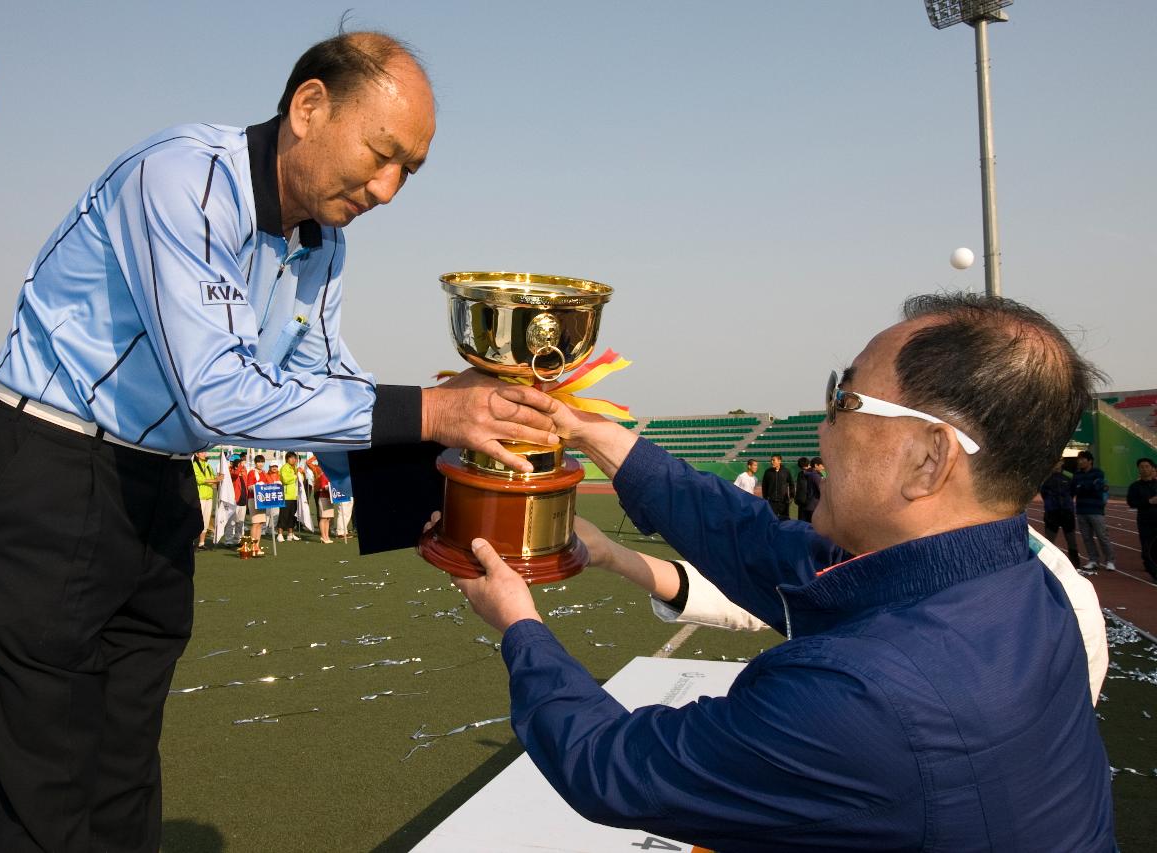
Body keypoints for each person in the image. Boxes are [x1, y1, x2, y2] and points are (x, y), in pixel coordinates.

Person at [0, 30, 560, 852]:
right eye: (382, 152)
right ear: (308, 107)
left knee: (122, 780)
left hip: (152, 493)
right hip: (37, 479)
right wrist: (435, 414)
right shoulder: (182, 178)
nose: (391, 187)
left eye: (412, 168)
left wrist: (437, 503)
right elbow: (217, 391)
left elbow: (325, 380)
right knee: (41, 796)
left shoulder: (321, 243)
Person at [454, 293, 1114, 850]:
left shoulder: (865, 698)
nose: (821, 432)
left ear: (928, 459)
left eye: (842, 401)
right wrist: (590, 431)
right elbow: (757, 542)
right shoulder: (1021, 584)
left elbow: (614, 767)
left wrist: (519, 624)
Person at [1073, 450, 1115, 570]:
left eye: (1083, 459)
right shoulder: (1077, 474)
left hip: (1096, 510)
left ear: (1090, 461)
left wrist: (1082, 487)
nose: (1080, 462)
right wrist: (1085, 486)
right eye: (1079, 459)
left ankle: (1110, 560)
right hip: (1081, 509)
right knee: (1087, 537)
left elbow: (1097, 487)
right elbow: (1076, 489)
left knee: (1102, 536)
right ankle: (1093, 560)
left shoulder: (1098, 473)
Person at [1040, 457, 1081, 569]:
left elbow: (1073, 491)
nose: (1056, 465)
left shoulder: (1069, 476)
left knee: (1071, 541)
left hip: (1067, 513)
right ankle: (1047, 566)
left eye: (1058, 462)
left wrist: (1066, 503)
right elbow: (1043, 492)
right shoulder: (1046, 478)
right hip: (1052, 513)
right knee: (1049, 542)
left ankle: (1075, 566)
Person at [1127, 457, 1157, 581]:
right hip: (1145, 521)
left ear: (1153, 469)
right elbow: (1131, 502)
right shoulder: (1135, 486)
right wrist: (1148, 501)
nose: (1144, 469)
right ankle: (1154, 573)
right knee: (1147, 549)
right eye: (1141, 467)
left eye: (1147, 466)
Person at [191, 450, 220, 550]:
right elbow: (198, 479)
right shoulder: (194, 465)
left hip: (209, 496)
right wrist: (215, 480)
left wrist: (219, 479)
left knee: (206, 521)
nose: (205, 454)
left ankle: (201, 543)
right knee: (196, 520)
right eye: (202, 452)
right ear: (197, 454)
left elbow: (213, 479)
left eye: (205, 453)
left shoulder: (208, 465)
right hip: (199, 496)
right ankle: (191, 542)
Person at [309, 454, 335, 543]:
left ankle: (327, 536)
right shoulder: (319, 471)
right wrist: (317, 455)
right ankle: (323, 536)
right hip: (322, 495)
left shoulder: (329, 474)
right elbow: (323, 486)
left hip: (329, 497)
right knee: (323, 517)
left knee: (328, 518)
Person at [759, 454, 793, 520]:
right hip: (771, 501)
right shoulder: (767, 472)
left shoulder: (786, 471)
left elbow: (791, 484)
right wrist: (765, 497)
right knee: (771, 519)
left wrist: (792, 496)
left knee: (785, 520)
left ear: (779, 461)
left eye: (773, 460)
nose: (772, 462)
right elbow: (764, 486)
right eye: (771, 460)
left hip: (783, 501)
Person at [279, 451, 301, 541]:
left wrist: (300, 474)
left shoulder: (296, 468)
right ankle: (280, 534)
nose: (293, 460)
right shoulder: (285, 467)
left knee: (293, 516)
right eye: (291, 458)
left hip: (295, 496)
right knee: (284, 515)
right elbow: (285, 480)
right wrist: (296, 476)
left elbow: (300, 480)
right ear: (287, 459)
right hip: (287, 495)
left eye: (294, 458)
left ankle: (290, 534)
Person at [793, 456, 814, 522]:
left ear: (809, 465)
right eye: (802, 469)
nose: (804, 470)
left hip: (811, 504)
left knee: (811, 524)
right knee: (801, 523)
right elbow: (799, 488)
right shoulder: (800, 474)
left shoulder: (814, 474)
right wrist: (797, 499)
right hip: (801, 504)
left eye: (805, 468)